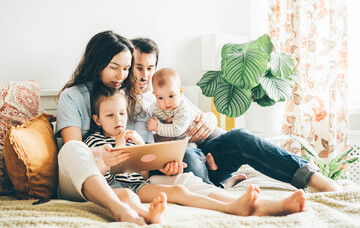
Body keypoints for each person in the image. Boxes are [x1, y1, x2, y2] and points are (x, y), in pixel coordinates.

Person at [129, 37, 342, 192]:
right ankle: (220, 187)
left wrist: (211, 120)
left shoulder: (167, 93)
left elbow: (207, 125)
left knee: (240, 137)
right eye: (139, 68)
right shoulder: (119, 103)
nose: (144, 75)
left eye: (150, 68)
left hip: (202, 158)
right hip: (168, 167)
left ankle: (312, 178)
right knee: (187, 159)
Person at [85, 84, 306, 217]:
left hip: (141, 184)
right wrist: (120, 146)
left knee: (188, 180)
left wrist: (144, 151)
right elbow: (98, 176)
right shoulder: (94, 141)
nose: (118, 120)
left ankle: (265, 204)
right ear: (97, 119)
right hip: (118, 190)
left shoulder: (136, 135)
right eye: (110, 115)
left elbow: (143, 174)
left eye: (122, 114)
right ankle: (232, 208)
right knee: (180, 193)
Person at [55, 31, 160, 226]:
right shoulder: (71, 96)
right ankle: (118, 211)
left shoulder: (125, 96)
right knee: (72, 149)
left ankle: (230, 205)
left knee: (134, 192)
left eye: (127, 68)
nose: (121, 75)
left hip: (117, 183)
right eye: (114, 67)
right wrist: (104, 154)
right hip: (75, 179)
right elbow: (75, 150)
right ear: (97, 64)